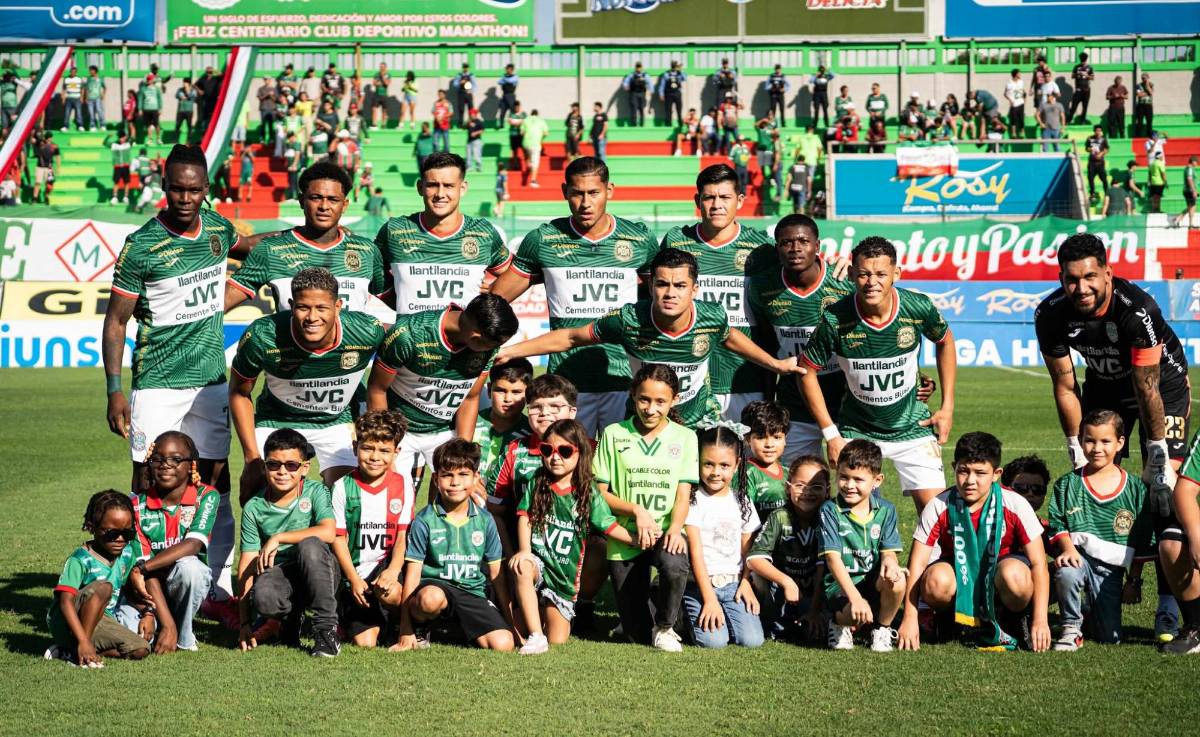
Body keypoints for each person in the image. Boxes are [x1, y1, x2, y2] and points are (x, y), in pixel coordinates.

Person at [103, 145, 264, 622]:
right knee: (147, 482)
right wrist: (114, 389)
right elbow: (115, 323)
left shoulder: (217, 227)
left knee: (214, 482)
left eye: (194, 189)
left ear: (206, 190)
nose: (185, 197)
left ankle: (212, 586)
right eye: (177, 188)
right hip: (155, 382)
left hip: (211, 380)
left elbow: (253, 248)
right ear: (164, 184)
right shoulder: (142, 244)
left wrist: (299, 240)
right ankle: (133, 583)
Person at [1035, 233, 1190, 641]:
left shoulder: (1136, 310)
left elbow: (1148, 388)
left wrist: (1157, 458)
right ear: (1061, 278)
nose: (1081, 288)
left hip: (1162, 390)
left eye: (1090, 277)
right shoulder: (1049, 313)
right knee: (1096, 482)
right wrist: (1074, 445)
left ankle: (1170, 603)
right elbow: (1065, 385)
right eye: (1071, 279)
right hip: (1103, 388)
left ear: (1107, 272)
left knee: (1163, 491)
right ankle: (1094, 589)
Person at [497, 247, 802, 429]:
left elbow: (730, 336)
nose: (670, 293)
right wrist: (512, 350)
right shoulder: (629, 319)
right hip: (642, 422)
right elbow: (571, 337)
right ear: (651, 285)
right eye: (662, 284)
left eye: (680, 285)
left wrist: (775, 365)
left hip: (696, 421)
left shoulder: (711, 316)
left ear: (694, 289)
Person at [488, 156, 660, 434]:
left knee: (617, 475)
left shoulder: (639, 240)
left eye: (594, 193)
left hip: (622, 381)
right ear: (564, 192)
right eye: (577, 193)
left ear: (610, 190)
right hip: (565, 387)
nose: (585, 203)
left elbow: (663, 303)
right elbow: (495, 301)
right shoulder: (543, 239)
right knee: (566, 468)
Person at [799, 236, 954, 512]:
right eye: (863, 274)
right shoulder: (835, 318)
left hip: (912, 427)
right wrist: (831, 434)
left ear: (897, 273)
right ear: (851, 274)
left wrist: (947, 407)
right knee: (854, 516)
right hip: (857, 429)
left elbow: (945, 341)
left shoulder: (917, 307)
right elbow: (806, 371)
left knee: (936, 517)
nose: (872, 282)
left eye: (881, 274)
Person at [229, 266, 384, 501]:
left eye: (322, 308)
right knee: (258, 490)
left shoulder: (366, 331)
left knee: (350, 498)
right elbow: (239, 393)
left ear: (338, 307)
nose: (312, 317)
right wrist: (251, 457)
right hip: (277, 420)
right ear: (291, 306)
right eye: (303, 308)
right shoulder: (262, 336)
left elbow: (394, 364)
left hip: (335, 422)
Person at [897, 432, 1051, 652]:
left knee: (1015, 575)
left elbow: (1039, 563)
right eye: (963, 471)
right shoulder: (939, 505)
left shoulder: (1015, 503)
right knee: (935, 582)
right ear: (954, 467)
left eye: (980, 473)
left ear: (996, 474)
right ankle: (951, 620)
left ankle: (1012, 618)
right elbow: (917, 564)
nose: (970, 480)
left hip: (1002, 573)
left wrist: (1041, 620)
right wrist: (910, 618)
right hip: (959, 573)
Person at [367, 294, 519, 500]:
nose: (495, 350)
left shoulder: (488, 344)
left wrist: (464, 458)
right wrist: (385, 444)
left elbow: (470, 399)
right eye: (492, 345)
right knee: (392, 502)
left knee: (463, 497)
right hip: (400, 431)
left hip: (444, 431)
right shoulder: (408, 334)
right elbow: (377, 389)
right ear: (476, 337)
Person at [592, 364, 696, 651]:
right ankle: (652, 603)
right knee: (636, 634)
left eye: (660, 401)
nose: (651, 408)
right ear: (633, 396)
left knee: (674, 564)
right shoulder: (613, 434)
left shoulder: (686, 438)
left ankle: (665, 627)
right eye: (644, 399)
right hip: (625, 537)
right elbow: (600, 495)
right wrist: (636, 511)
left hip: (665, 532)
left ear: (674, 400)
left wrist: (675, 529)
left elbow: (683, 494)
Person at [660, 164, 774, 420]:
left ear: (740, 200)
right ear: (697, 201)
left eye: (725, 197)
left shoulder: (762, 248)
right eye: (709, 197)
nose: (716, 205)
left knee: (741, 458)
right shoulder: (677, 241)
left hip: (744, 381)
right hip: (687, 382)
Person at [510, 419, 634, 654]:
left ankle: (544, 611)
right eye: (547, 450)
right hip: (539, 565)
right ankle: (536, 636)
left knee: (558, 639)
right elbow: (525, 517)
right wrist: (525, 551)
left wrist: (640, 540)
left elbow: (609, 527)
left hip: (563, 579)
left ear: (580, 453)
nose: (555, 457)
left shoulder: (588, 491)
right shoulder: (537, 480)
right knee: (524, 567)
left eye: (565, 451)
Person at [393, 439, 514, 652]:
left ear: (476, 478)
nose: (455, 482)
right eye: (447, 475)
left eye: (463, 475)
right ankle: (422, 628)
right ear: (436, 479)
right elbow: (412, 574)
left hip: (472, 592)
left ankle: (449, 628)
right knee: (430, 600)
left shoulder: (485, 520)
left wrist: (511, 624)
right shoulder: (424, 520)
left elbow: (497, 575)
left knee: (503, 644)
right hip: (435, 589)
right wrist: (405, 629)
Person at [1048, 411, 1154, 651]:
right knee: (1067, 573)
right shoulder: (1067, 484)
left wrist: (1134, 581)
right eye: (1089, 440)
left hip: (1111, 570)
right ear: (1081, 440)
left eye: (1105, 441)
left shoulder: (1135, 488)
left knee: (1110, 637)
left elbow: (1144, 537)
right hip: (1077, 557)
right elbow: (1056, 522)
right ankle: (1071, 627)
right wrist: (1066, 548)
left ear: (1120, 443)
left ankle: (1089, 613)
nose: (1097, 448)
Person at [227, 162, 386, 317]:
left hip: (353, 345)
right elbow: (219, 305)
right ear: (302, 201)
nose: (324, 206)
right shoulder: (271, 250)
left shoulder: (367, 251)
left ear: (344, 205)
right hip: (291, 344)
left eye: (333, 199)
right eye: (316, 198)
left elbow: (397, 300)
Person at [236, 429, 339, 656]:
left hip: (321, 570)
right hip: (280, 572)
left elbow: (329, 532)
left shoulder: (315, 491)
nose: (282, 471)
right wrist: (244, 623)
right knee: (264, 599)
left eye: (291, 465)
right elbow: (247, 564)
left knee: (309, 545)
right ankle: (289, 620)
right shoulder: (254, 506)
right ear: (264, 467)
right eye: (274, 465)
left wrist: (279, 537)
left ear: (304, 468)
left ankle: (326, 630)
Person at [373, 151, 512, 317]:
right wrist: (397, 299)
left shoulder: (483, 232)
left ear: (463, 188)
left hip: (466, 342)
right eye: (432, 185)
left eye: (449, 185)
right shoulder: (395, 231)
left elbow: (517, 274)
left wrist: (493, 295)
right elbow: (368, 267)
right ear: (420, 187)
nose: (440, 194)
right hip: (411, 341)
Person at [118, 431, 218, 653]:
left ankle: (183, 637)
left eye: (175, 459)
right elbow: (144, 574)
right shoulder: (135, 505)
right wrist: (158, 616)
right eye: (158, 459)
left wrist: (143, 567)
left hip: (180, 586)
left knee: (191, 568)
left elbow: (192, 545)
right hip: (145, 592)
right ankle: (167, 625)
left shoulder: (206, 496)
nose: (165, 465)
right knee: (133, 637)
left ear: (192, 465)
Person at [329, 410, 411, 649]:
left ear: (396, 452)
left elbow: (402, 535)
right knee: (365, 644)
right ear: (356, 447)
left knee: (392, 593)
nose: (375, 457)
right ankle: (351, 618)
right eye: (368, 448)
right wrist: (353, 579)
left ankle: (397, 623)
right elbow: (338, 539)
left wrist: (394, 570)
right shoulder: (342, 487)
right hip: (355, 575)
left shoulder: (403, 484)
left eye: (384, 451)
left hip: (385, 569)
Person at [44, 490, 154, 666]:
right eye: (112, 533)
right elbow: (65, 601)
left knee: (140, 649)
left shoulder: (126, 554)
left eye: (127, 534)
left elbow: (127, 590)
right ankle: (81, 644)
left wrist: (148, 612)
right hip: (66, 622)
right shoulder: (80, 559)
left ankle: (69, 651)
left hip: (102, 618)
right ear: (91, 526)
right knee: (104, 588)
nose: (120, 539)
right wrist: (84, 640)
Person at [680, 423, 764, 650]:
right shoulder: (693, 500)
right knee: (713, 642)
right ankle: (682, 615)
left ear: (737, 465)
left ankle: (723, 615)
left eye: (724, 465)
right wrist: (708, 599)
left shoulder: (742, 502)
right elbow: (696, 552)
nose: (716, 472)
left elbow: (748, 551)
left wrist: (746, 582)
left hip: (734, 585)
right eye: (708, 464)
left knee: (752, 641)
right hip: (700, 586)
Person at [820, 439, 905, 652]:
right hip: (841, 588)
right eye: (844, 477)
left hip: (872, 583)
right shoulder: (830, 510)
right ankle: (839, 624)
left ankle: (882, 629)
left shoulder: (886, 510)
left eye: (858, 479)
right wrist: (855, 598)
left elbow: (889, 552)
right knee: (850, 611)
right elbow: (832, 558)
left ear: (877, 480)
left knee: (899, 579)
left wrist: (891, 564)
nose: (849, 485)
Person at [747, 454, 827, 643]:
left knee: (816, 634)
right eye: (800, 485)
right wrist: (786, 581)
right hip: (782, 591)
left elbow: (829, 566)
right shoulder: (780, 516)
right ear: (788, 486)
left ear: (827, 490)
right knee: (759, 574)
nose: (807, 492)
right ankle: (772, 621)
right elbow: (754, 559)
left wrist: (815, 609)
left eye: (816, 486)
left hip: (816, 592)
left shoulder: (829, 517)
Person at [474, 360, 533, 484]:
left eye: (516, 392)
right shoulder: (470, 423)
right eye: (501, 390)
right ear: (489, 389)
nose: (508, 399)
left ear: (528, 394)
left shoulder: (532, 432)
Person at [520, 108, 549, 187]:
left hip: (526, 143)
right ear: (537, 114)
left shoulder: (526, 120)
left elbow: (522, 132)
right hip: (536, 144)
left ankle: (529, 165)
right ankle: (533, 180)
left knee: (528, 155)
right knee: (535, 163)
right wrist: (541, 138)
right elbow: (546, 133)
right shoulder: (541, 121)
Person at [31, 132, 59, 204]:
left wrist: (58, 167)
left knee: (49, 184)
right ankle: (35, 198)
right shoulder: (41, 143)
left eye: (50, 138)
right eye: (48, 138)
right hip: (40, 166)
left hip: (49, 167)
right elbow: (32, 141)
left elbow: (57, 157)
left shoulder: (54, 146)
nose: (49, 139)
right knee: (38, 182)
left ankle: (46, 196)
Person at [138, 72, 165, 146]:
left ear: (153, 80)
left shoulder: (157, 89)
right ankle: (150, 139)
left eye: (151, 79)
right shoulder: (143, 89)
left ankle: (158, 139)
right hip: (146, 109)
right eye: (148, 79)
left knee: (156, 124)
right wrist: (140, 109)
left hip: (154, 109)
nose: (149, 81)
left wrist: (160, 108)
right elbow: (140, 99)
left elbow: (160, 99)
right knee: (149, 125)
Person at [656, 61, 686, 127]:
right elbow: (662, 85)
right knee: (668, 110)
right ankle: (668, 124)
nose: (674, 67)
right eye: (673, 66)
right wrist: (661, 94)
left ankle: (680, 123)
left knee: (679, 109)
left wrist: (681, 70)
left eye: (675, 66)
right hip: (668, 93)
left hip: (677, 93)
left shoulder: (679, 73)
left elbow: (684, 78)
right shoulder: (666, 74)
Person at [107, 131, 132, 206]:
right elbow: (104, 143)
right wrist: (108, 137)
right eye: (121, 138)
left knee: (127, 182)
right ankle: (115, 197)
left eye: (123, 137)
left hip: (126, 166)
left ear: (125, 137)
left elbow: (133, 137)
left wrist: (129, 134)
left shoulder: (128, 144)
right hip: (117, 166)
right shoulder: (114, 145)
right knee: (116, 182)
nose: (122, 139)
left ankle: (126, 197)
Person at [1085, 125, 1109, 201]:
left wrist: (1100, 154)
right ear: (1094, 131)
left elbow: (1107, 149)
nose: (1098, 132)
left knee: (1104, 179)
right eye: (1097, 130)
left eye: (1099, 130)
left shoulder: (1103, 139)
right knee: (1090, 178)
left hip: (1100, 163)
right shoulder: (1089, 138)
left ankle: (1107, 194)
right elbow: (1086, 148)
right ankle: (1092, 194)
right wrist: (1090, 149)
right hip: (1091, 163)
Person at [1069, 52, 1095, 124]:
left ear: (1086, 60)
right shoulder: (1076, 67)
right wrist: (1078, 74)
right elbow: (1072, 76)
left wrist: (1086, 76)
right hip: (1078, 90)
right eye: (1082, 60)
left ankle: (1082, 120)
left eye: (1084, 60)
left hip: (1086, 90)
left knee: (1085, 106)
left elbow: (1092, 77)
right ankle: (1069, 119)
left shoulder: (1089, 67)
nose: (1083, 62)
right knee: (1074, 105)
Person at [1173, 155, 1197, 229]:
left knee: (1190, 207)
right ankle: (1190, 224)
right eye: (1196, 162)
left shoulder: (1186, 168)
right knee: (1192, 207)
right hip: (1189, 190)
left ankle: (1178, 219)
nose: (1197, 164)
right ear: (1193, 161)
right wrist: (1194, 191)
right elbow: (1189, 179)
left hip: (1187, 190)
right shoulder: (1190, 169)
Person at [623, 62, 650, 127]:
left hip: (642, 93)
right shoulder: (631, 75)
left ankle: (642, 123)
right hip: (634, 93)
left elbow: (649, 83)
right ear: (635, 67)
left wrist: (650, 91)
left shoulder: (645, 75)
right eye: (637, 67)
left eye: (640, 67)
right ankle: (634, 124)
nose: (638, 68)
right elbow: (625, 82)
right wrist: (626, 86)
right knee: (634, 109)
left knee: (641, 108)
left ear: (642, 67)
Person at [451, 63, 475, 128]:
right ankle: (460, 123)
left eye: (466, 67)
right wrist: (460, 82)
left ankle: (471, 123)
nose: (465, 68)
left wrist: (471, 91)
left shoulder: (471, 75)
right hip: (461, 93)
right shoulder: (459, 75)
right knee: (461, 109)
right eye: (464, 67)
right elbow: (455, 84)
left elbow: (474, 84)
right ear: (463, 68)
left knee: (471, 109)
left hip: (468, 93)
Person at [60, 66, 83, 132]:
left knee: (78, 113)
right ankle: (65, 126)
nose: (73, 73)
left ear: (76, 72)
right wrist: (63, 97)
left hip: (77, 98)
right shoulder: (66, 79)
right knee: (67, 113)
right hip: (69, 98)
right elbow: (64, 89)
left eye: (74, 72)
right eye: (72, 72)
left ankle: (80, 126)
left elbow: (82, 89)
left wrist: (81, 97)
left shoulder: (79, 79)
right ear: (70, 72)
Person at [1005, 68, 1026, 139]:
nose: (1020, 74)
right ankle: (1013, 134)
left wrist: (1024, 100)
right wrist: (1010, 100)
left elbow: (1023, 92)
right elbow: (1005, 93)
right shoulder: (1009, 83)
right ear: (1016, 74)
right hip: (1014, 104)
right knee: (1013, 119)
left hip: (1021, 102)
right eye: (1019, 73)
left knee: (1021, 118)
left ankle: (1022, 132)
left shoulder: (1021, 82)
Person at [84, 65, 105, 132]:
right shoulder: (89, 79)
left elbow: (104, 87)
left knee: (99, 111)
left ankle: (102, 125)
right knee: (91, 113)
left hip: (97, 98)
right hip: (90, 98)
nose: (90, 72)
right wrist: (86, 97)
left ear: (95, 71)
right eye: (89, 70)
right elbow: (86, 89)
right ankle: (92, 126)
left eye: (91, 70)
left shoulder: (100, 78)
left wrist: (103, 94)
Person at [371, 63, 392, 129]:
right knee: (374, 109)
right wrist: (378, 83)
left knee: (384, 110)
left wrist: (383, 78)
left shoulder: (388, 75)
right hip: (377, 94)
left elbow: (387, 84)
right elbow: (374, 83)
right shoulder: (376, 74)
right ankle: (374, 124)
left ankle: (383, 124)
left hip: (384, 95)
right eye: (380, 67)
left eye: (383, 67)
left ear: (385, 67)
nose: (381, 68)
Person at [1134, 73, 1154, 138]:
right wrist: (1147, 93)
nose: (1143, 79)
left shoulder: (1151, 84)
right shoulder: (1138, 85)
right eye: (1142, 78)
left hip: (1148, 105)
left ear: (1148, 78)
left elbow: (1151, 93)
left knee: (1149, 121)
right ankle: (1138, 136)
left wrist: (1147, 86)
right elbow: (1139, 95)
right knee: (1139, 121)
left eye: (1145, 78)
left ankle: (1149, 135)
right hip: (1141, 105)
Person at [465, 108, 485, 172]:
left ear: (475, 114)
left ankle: (478, 166)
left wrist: (475, 133)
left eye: (472, 114)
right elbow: (464, 126)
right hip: (469, 140)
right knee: (468, 154)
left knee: (477, 154)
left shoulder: (478, 121)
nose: (471, 115)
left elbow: (482, 130)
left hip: (476, 140)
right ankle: (469, 166)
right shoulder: (469, 122)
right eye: (470, 114)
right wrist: (468, 122)